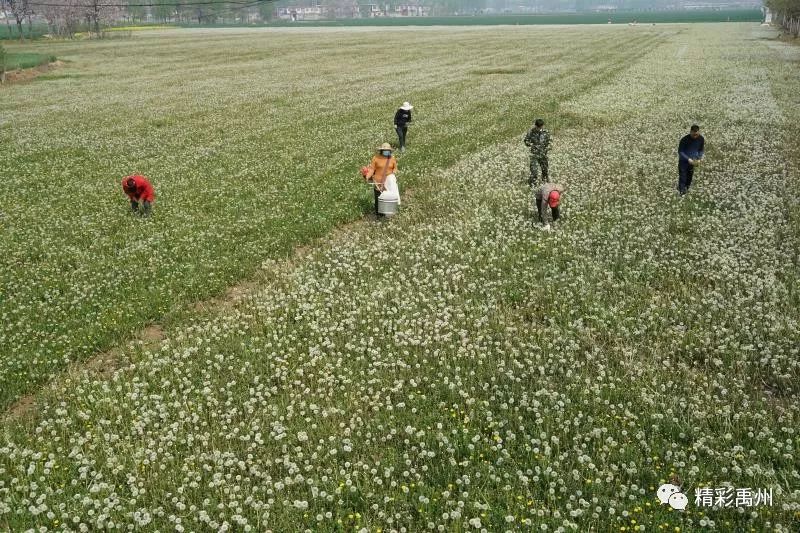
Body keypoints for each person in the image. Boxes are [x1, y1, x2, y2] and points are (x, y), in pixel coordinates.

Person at [364, 143, 398, 217]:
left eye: (388, 150)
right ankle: (379, 215)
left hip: (389, 182)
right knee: (378, 198)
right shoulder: (375, 158)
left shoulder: (392, 158)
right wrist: (367, 176)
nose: (386, 151)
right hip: (378, 182)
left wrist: (394, 173)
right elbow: (372, 169)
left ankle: (388, 213)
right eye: (385, 150)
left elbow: (395, 168)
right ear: (381, 151)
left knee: (388, 198)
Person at [677, 124, 705, 195]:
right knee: (683, 177)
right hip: (683, 162)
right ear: (690, 132)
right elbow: (680, 152)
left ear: (698, 132)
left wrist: (699, 158)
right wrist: (688, 159)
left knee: (689, 177)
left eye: (697, 134)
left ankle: (686, 190)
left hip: (693, 161)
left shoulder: (701, 139)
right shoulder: (684, 139)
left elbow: (701, 150)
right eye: (694, 134)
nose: (695, 136)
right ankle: (681, 193)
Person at [524, 118, 551, 185]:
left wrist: (548, 148)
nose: (539, 128)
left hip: (543, 155)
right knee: (534, 171)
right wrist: (531, 145)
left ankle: (545, 185)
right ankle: (532, 185)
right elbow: (526, 141)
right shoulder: (531, 132)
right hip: (534, 155)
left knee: (545, 171)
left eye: (540, 127)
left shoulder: (546, 132)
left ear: (542, 126)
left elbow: (550, 142)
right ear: (535, 125)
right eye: (537, 127)